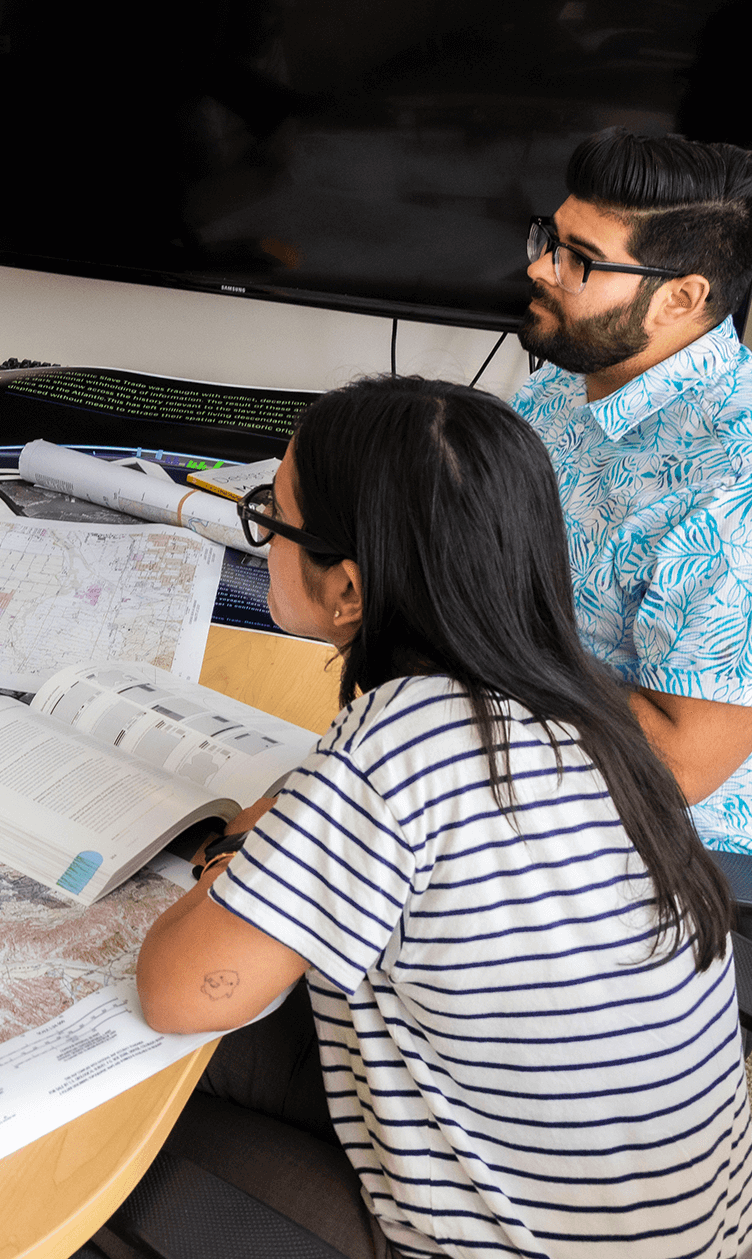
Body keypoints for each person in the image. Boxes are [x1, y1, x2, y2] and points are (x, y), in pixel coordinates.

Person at [135, 377, 750, 1259]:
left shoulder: (410, 736)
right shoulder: (584, 701)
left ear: (349, 590)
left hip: (512, 1242)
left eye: (273, 515)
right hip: (680, 1227)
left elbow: (174, 991)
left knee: (118, 1130)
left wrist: (231, 853)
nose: (261, 535)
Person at [512, 128, 752, 849]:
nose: (541, 269)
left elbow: (679, 765)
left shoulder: (734, 487)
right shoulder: (567, 379)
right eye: (551, 240)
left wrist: (472, 640)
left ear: (680, 298)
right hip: (511, 758)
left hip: (660, 842)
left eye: (579, 259)